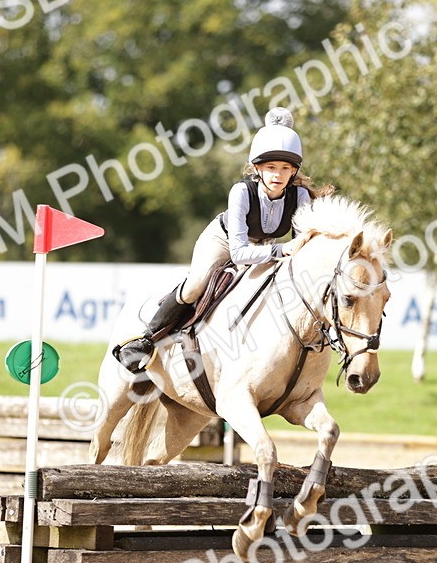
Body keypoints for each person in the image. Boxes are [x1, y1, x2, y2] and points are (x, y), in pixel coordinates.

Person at [115, 107, 332, 372]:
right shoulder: (241, 191)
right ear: (257, 168)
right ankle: (146, 339)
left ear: (293, 171)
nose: (278, 175)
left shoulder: (300, 197)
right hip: (224, 241)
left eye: (285, 168)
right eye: (271, 167)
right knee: (196, 285)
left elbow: (300, 255)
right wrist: (283, 249)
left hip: (264, 247)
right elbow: (240, 253)